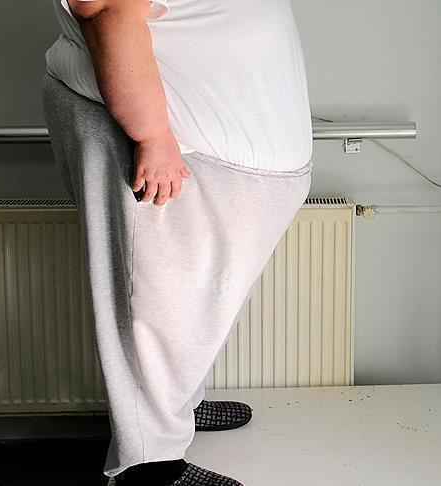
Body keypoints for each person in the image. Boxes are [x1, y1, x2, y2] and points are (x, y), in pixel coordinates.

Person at [40, 0, 314, 484]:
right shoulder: (153, 137)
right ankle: (151, 464)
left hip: (199, 149)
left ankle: (177, 407)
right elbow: (105, 10)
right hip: (166, 146)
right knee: (158, 306)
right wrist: (152, 137)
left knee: (192, 304)